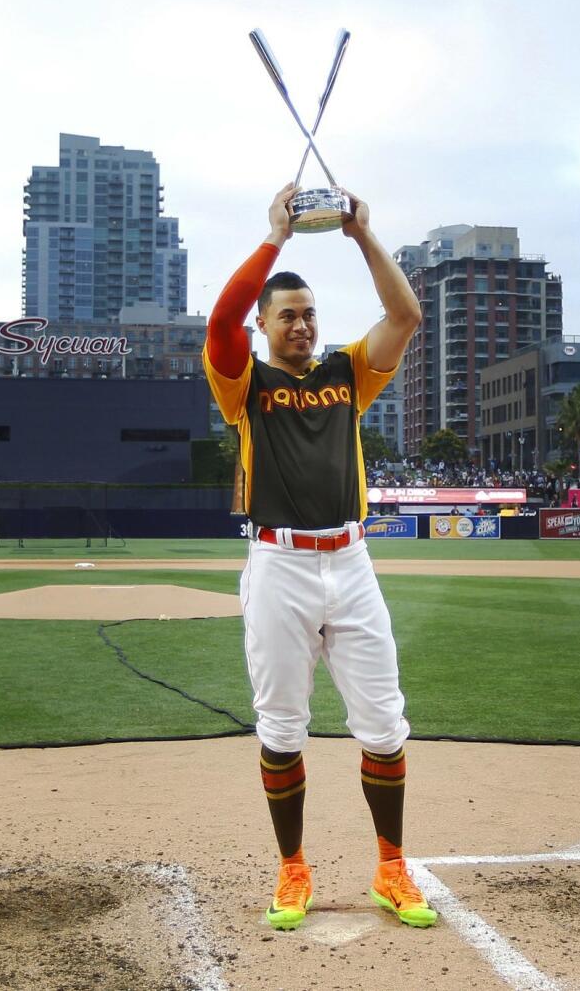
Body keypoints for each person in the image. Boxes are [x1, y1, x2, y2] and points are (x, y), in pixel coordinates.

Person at [203, 182, 434, 931]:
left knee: (385, 725)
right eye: (287, 316)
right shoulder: (245, 384)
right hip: (279, 566)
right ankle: (293, 868)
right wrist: (275, 236)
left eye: (309, 315)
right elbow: (218, 321)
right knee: (281, 727)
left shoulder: (347, 372)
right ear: (265, 324)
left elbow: (407, 316)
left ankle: (392, 868)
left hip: (352, 561)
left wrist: (363, 233)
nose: (301, 326)